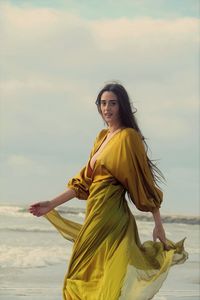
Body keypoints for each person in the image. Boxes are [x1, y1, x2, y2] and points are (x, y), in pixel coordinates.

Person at [29, 82, 188, 300]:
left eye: (113, 103)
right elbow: (83, 183)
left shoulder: (129, 138)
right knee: (78, 276)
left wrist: (158, 223)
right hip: (94, 218)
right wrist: (51, 204)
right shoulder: (101, 137)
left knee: (101, 280)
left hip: (114, 220)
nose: (107, 108)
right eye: (103, 103)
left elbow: (145, 182)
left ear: (122, 106)